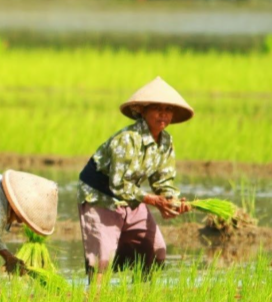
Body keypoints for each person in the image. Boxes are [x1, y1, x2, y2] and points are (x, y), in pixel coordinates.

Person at [77, 76, 193, 283]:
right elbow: (119, 185)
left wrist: (172, 201)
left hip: (132, 197)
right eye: (157, 108)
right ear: (142, 110)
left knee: (156, 251)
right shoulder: (126, 140)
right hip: (101, 197)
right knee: (102, 260)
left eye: (168, 109)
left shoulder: (166, 141)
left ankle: (139, 299)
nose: (163, 114)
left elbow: (163, 181)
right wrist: (155, 201)